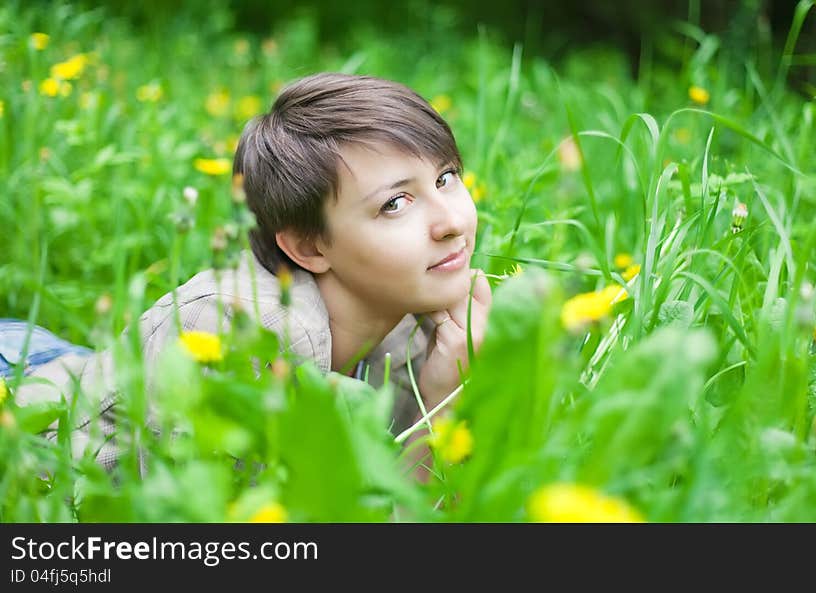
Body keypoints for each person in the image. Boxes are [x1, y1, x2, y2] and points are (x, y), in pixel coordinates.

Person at [5, 72, 492, 483]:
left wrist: (450, 393)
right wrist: (443, 409)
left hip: (69, 364)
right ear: (308, 246)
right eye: (394, 203)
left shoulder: (419, 314)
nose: (450, 220)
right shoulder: (246, 336)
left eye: (446, 177)